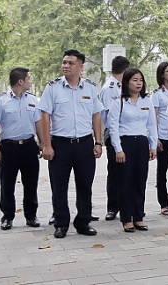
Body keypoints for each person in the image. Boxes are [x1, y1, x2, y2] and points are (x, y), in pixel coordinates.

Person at [38, 49, 104, 239]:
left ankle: (83, 222)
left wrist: (98, 142)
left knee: (85, 184)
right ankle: (61, 223)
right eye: (64, 62)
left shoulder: (90, 88)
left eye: (70, 63)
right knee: (59, 186)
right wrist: (46, 145)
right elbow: (45, 115)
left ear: (80, 67)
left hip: (84, 143)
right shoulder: (53, 88)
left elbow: (96, 115)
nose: (66, 66)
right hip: (60, 144)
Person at [0, 67, 42, 230]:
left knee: (31, 183)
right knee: (7, 183)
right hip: (9, 147)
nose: (30, 82)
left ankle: (31, 215)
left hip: (29, 146)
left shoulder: (33, 100)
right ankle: (7, 216)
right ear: (21, 81)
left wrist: (43, 143)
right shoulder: (0, 101)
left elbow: (38, 122)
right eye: (28, 79)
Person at [107, 68, 158, 232]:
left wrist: (153, 145)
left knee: (140, 181)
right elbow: (113, 127)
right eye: (134, 80)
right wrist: (118, 149)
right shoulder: (119, 102)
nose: (138, 83)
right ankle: (126, 218)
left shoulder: (146, 101)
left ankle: (138, 217)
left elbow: (151, 125)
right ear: (127, 82)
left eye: (140, 80)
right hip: (125, 143)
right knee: (125, 182)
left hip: (141, 144)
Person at [100, 55, 129, 221]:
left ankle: (125, 203)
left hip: (124, 133)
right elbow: (111, 115)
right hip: (113, 134)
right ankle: (113, 207)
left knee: (125, 172)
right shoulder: (111, 87)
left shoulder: (120, 86)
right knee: (115, 172)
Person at [152, 62, 168, 216]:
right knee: (162, 171)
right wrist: (155, 139)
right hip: (163, 136)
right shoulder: (157, 94)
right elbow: (154, 117)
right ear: (162, 74)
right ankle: (163, 204)